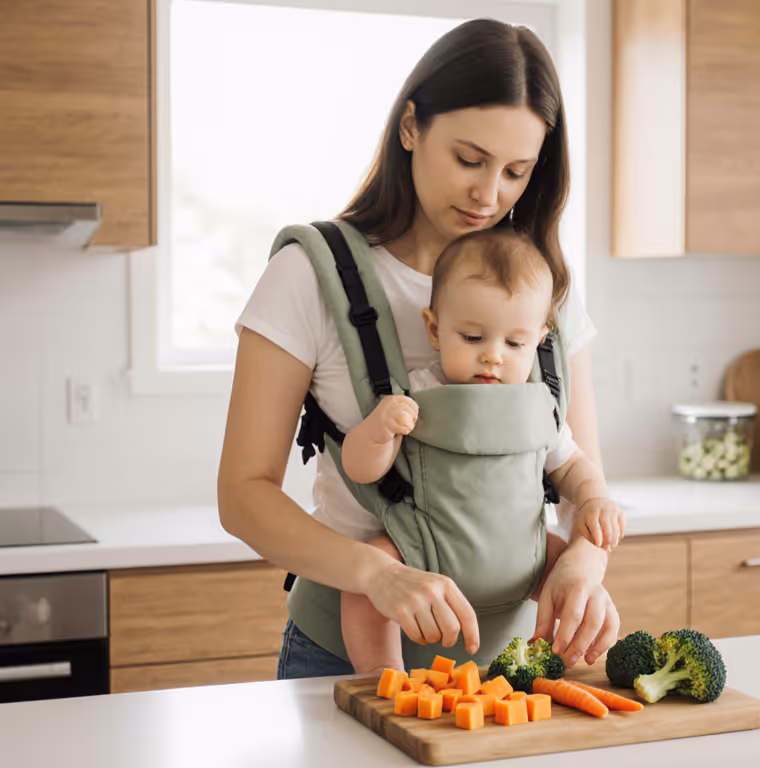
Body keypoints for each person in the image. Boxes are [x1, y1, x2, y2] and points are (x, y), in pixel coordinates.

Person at [218, 18, 619, 679]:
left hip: (517, 663)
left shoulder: (546, 291)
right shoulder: (311, 274)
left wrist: (581, 563)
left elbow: (582, 477)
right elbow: (242, 494)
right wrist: (376, 574)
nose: (489, 195)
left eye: (517, 171)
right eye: (469, 159)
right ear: (410, 127)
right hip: (343, 658)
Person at [339, 228, 625, 674]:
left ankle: (556, 660)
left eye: (514, 344)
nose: (493, 356)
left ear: (539, 340)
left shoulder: (537, 404)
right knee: (365, 580)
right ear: (434, 329)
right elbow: (360, 469)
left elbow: (569, 463)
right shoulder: (417, 392)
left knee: (572, 585)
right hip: (424, 550)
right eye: (473, 338)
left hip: (523, 555)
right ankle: (382, 675)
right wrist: (379, 430)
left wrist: (593, 499)